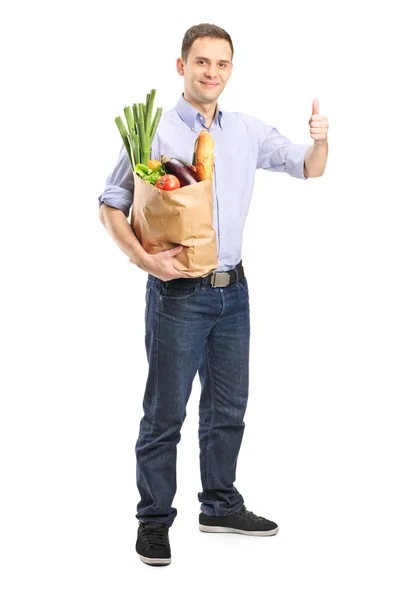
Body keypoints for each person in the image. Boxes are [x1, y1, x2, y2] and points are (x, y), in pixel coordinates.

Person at [98, 23, 329, 567]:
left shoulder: (245, 130)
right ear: (182, 67)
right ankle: (154, 522)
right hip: (177, 296)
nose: (212, 73)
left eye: (222, 64)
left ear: (230, 70)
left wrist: (321, 139)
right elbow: (110, 203)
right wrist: (144, 259)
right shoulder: (153, 132)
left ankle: (220, 504)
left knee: (227, 410)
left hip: (234, 293)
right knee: (165, 415)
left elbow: (309, 168)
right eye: (202, 62)